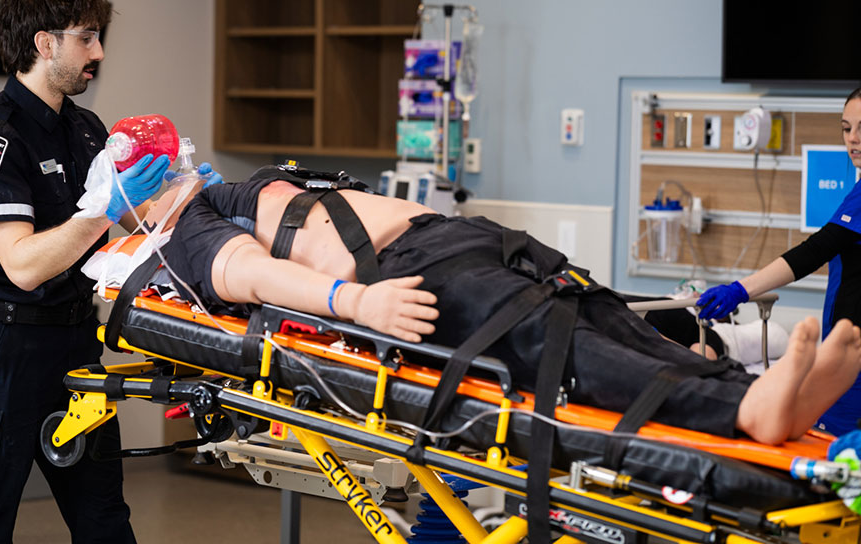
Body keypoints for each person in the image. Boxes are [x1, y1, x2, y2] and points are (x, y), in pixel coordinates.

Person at [154, 164, 861, 446]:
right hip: (409, 273)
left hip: (466, 241)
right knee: (573, 353)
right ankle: (743, 412)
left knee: (599, 311)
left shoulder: (223, 188)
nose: (172, 162)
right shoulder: (184, 231)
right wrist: (357, 303)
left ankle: (758, 390)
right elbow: (249, 277)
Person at [0, 0, 170, 543]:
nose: (99, 52)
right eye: (87, 38)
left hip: (76, 348)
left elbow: (132, 226)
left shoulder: (86, 128)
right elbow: (22, 263)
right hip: (2, 353)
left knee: (105, 522)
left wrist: (186, 196)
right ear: (45, 44)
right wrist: (102, 209)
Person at [697, 88, 861, 436]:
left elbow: (815, 250)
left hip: (851, 355)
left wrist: (742, 289)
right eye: (847, 128)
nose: (853, 139)